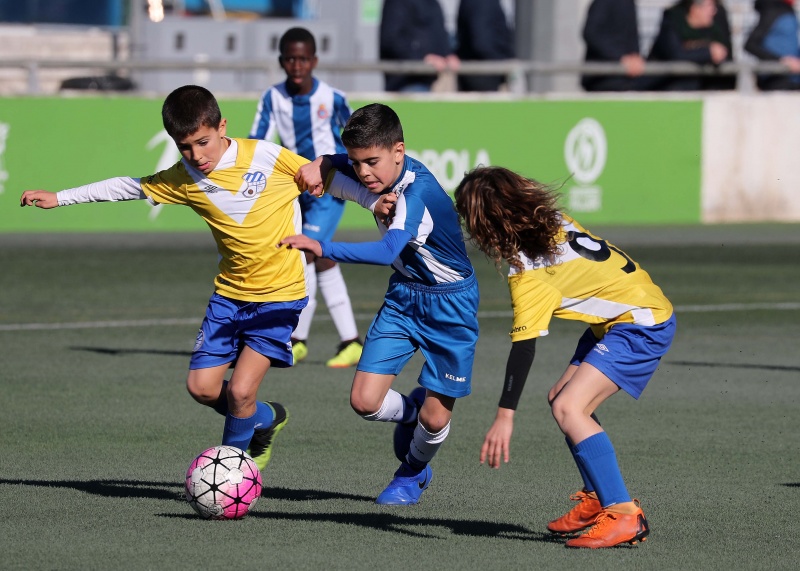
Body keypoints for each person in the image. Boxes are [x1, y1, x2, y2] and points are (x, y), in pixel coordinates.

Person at [18, 85, 376, 473]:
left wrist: (374, 202)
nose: (197, 155)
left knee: (240, 390)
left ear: (222, 127)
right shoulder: (184, 177)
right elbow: (128, 186)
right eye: (184, 146)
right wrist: (60, 197)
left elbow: (327, 179)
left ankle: (231, 474)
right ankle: (267, 418)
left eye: (203, 142)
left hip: (280, 296)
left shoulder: (265, 156)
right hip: (229, 296)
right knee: (202, 388)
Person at [453, 167, 676, 548]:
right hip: (625, 313)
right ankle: (597, 497)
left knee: (569, 407)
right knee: (560, 397)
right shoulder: (553, 220)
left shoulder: (528, 273)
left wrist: (505, 416)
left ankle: (624, 514)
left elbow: (524, 349)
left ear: (486, 226)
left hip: (640, 323)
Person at [281, 103, 479, 506]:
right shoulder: (375, 168)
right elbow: (343, 163)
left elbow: (387, 250)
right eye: (357, 163)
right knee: (364, 402)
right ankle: (411, 412)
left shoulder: (416, 194)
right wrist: (325, 162)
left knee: (436, 419)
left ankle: (412, 472)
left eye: (371, 162)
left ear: (398, 151)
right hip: (404, 296)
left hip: (451, 305)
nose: (363, 173)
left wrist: (322, 247)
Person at [249, 26, 363, 368]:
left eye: (302, 59)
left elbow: (357, 136)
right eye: (290, 59)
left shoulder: (333, 98)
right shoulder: (272, 98)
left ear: (314, 60)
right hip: (296, 188)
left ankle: (296, 339)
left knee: (305, 252)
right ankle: (351, 341)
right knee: (321, 257)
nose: (296, 65)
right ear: (281, 61)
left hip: (328, 187)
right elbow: (257, 141)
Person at [647, 0, 736, 91]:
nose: (714, 11)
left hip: (701, 89)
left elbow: (725, 55)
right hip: (665, 88)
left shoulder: (716, 26)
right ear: (695, 9)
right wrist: (708, 53)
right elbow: (676, 54)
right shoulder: (672, 21)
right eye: (709, 6)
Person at [379, 0, 460, 92]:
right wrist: (423, 58)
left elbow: (439, 34)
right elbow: (391, 39)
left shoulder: (432, 3)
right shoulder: (398, 2)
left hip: (433, 79)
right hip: (408, 81)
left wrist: (448, 54)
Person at [581, 0, 646, 92]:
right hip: (604, 79)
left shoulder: (629, 3)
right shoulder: (605, 2)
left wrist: (635, 58)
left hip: (626, 78)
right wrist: (621, 58)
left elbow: (630, 37)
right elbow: (591, 33)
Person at [455, 0, 515, 92]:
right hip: (483, 70)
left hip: (473, 70)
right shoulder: (483, 2)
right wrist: (505, 60)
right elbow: (481, 43)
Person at [745, 0, 800, 91]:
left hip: (794, 78)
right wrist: (781, 60)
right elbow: (750, 45)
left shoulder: (788, 11)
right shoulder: (772, 11)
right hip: (775, 79)